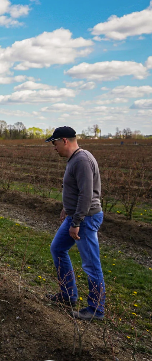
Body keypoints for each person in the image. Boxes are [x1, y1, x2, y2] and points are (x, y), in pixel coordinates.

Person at [46, 126, 105, 321]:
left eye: (54, 143)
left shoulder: (81, 160)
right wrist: (67, 208)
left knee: (90, 263)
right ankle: (68, 295)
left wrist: (77, 220)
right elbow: (76, 190)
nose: (54, 148)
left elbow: (86, 194)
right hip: (76, 215)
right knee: (58, 248)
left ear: (64, 140)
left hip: (85, 218)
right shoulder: (75, 159)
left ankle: (96, 309)